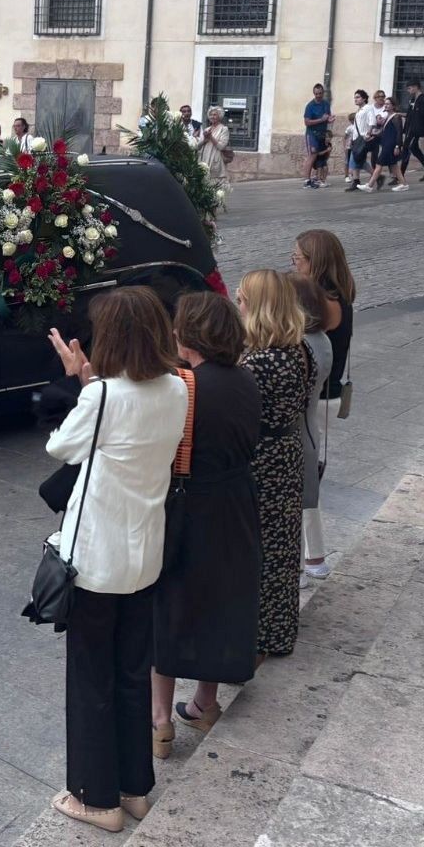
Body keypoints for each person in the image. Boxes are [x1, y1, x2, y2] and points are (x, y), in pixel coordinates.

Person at [44, 286, 187, 834]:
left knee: (90, 678)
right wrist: (91, 385)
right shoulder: (175, 389)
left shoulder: (103, 398)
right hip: (144, 553)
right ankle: (134, 789)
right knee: (132, 673)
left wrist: (80, 383)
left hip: (97, 560)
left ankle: (94, 797)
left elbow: (61, 447)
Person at [149, 292, 266, 760]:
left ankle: (159, 722)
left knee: (171, 604)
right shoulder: (246, 380)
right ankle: (205, 702)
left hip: (189, 504)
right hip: (236, 501)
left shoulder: (183, 386)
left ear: (190, 333)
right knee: (220, 599)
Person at [230, 270, 315, 663]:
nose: (236, 301)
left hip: (261, 457)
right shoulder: (299, 350)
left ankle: (257, 635)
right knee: (282, 545)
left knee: (256, 546)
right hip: (288, 450)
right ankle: (280, 630)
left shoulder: (258, 362)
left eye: (243, 298)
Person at [293, 230, 357, 578]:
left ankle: (313, 559)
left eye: (299, 258)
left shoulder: (322, 302)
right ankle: (313, 557)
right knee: (306, 476)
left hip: (318, 398)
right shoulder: (339, 296)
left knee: (304, 478)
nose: (294, 262)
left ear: (315, 262)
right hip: (326, 395)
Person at [359, 106, 408, 193]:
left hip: (390, 145)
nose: (386, 105)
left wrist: (398, 146)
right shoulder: (387, 117)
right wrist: (372, 135)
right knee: (394, 165)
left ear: (393, 105)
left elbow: (399, 132)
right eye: (385, 103)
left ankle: (369, 185)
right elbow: (384, 132)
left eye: (388, 104)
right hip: (386, 144)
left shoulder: (396, 117)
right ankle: (403, 184)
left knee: (379, 164)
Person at [401, 81, 424, 182]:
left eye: (409, 88)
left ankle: (400, 175)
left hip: (416, 130)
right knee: (414, 149)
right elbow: (410, 114)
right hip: (410, 128)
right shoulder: (412, 99)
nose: (408, 91)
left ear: (416, 87)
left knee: (406, 149)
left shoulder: (423, 98)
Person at [302, 84, 334, 189]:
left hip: (322, 134)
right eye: (316, 94)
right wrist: (321, 120)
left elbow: (327, 117)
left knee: (320, 157)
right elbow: (307, 122)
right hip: (312, 134)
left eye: (320, 93)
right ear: (313, 93)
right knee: (312, 156)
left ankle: (317, 178)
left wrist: (329, 119)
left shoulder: (326, 104)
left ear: (323, 93)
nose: (318, 95)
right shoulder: (310, 106)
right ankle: (307, 180)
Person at [344, 90, 375, 191]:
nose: (355, 99)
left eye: (358, 97)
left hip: (362, 139)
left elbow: (372, 121)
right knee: (360, 161)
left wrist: (368, 134)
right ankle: (377, 176)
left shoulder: (368, 108)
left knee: (354, 160)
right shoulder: (359, 110)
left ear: (364, 98)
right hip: (356, 139)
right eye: (355, 97)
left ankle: (356, 181)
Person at [198, 107, 231, 191]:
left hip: (216, 159)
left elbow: (221, 146)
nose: (212, 116)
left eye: (215, 114)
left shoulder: (224, 129)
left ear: (219, 116)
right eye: (211, 115)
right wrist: (205, 139)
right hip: (205, 159)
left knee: (216, 189)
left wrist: (211, 137)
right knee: (205, 186)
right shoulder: (207, 129)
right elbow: (198, 146)